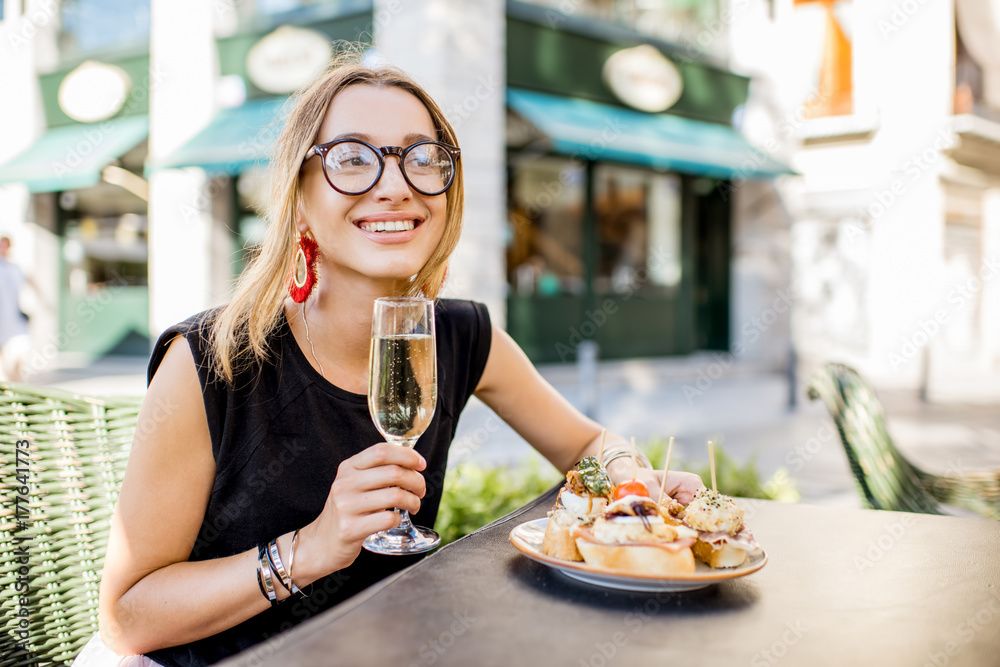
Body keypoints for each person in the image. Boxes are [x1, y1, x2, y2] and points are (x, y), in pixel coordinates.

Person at [75, 53, 704, 667]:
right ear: (299, 195)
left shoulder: (460, 335)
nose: (396, 186)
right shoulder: (212, 362)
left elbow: (589, 441)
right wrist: (310, 549)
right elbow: (127, 616)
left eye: (423, 158)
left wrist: (633, 484)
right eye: (352, 159)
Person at [0, 236, 31, 382]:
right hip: (3, 320)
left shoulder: (14, 268)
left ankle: (16, 384)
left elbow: (30, 279)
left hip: (14, 320)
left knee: (19, 354)